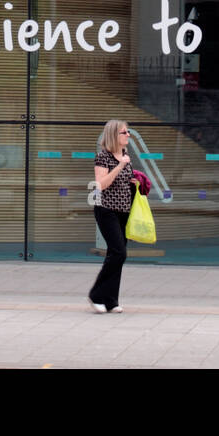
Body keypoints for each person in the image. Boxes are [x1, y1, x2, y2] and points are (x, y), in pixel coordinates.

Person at [89, 118, 136, 314]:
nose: (128, 135)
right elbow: (101, 184)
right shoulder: (103, 157)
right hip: (106, 209)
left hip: (123, 210)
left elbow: (123, 182)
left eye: (128, 132)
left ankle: (111, 300)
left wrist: (135, 181)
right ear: (114, 135)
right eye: (124, 132)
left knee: (116, 255)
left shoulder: (125, 155)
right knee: (118, 252)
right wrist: (119, 167)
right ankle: (96, 295)